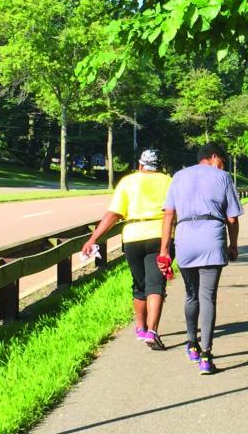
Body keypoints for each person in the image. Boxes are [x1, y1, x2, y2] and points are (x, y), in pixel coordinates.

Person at [158, 142, 243, 374]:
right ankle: (206, 356)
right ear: (214, 157)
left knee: (191, 294)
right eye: (222, 161)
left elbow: (168, 214)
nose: (221, 166)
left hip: (185, 239)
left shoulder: (178, 176)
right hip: (211, 239)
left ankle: (191, 344)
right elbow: (232, 218)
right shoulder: (223, 177)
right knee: (208, 297)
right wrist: (233, 245)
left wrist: (164, 250)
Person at [81, 149, 172, 350]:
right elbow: (175, 211)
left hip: (132, 236)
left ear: (140, 165)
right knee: (155, 285)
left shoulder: (128, 182)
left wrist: (93, 238)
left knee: (139, 285)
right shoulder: (168, 181)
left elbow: (113, 214)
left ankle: (140, 328)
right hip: (159, 234)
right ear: (160, 166)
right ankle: (152, 331)